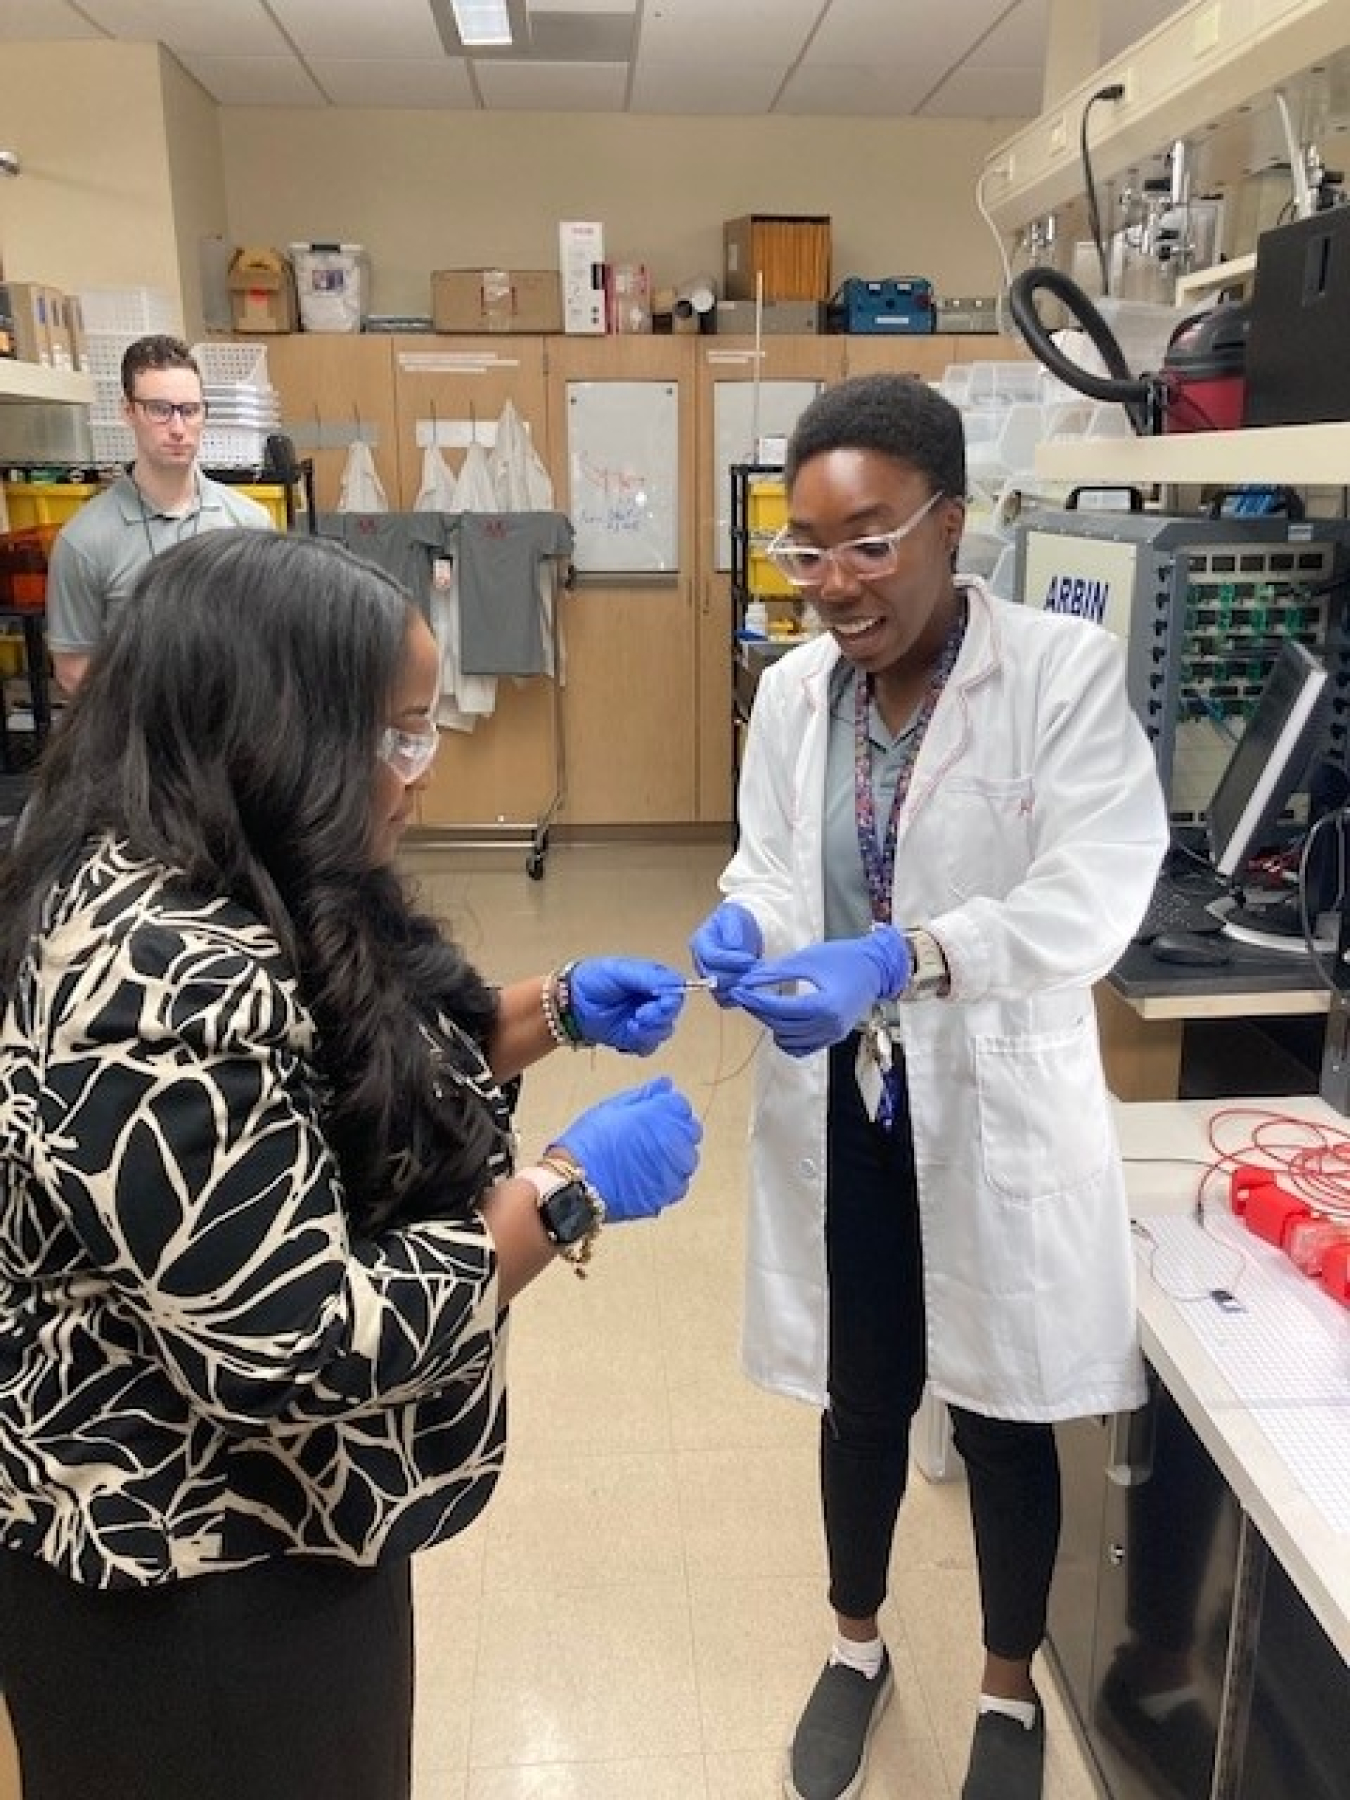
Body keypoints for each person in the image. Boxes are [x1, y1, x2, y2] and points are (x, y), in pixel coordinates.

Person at [0, 529, 703, 1800]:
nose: (417, 777)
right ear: (272, 729)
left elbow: (322, 1081)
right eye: (396, 737)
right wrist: (560, 1192)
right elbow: (295, 1340)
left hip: (299, 1534)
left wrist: (547, 1011)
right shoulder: (158, 976)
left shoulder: (238, 859)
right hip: (191, 1579)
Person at [690, 373, 1169, 1800]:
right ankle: (854, 1648)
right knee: (861, 1391)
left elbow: (1092, 896)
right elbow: (775, 869)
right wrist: (751, 930)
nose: (835, 583)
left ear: (950, 525)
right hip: (849, 1104)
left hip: (991, 1100)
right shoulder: (794, 693)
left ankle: (1007, 1693)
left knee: (1001, 1410)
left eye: (869, 541)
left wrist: (909, 952)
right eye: (806, 548)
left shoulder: (1054, 677)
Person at [44, 333, 274, 696]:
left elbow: (271, 644)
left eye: (190, 410)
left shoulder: (250, 524)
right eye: (160, 410)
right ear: (128, 412)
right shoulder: (84, 541)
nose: (178, 428)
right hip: (136, 743)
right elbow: (73, 670)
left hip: (232, 738)